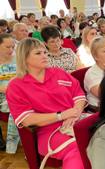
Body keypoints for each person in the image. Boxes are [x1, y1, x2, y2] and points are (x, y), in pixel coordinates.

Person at [6, 38, 86, 169]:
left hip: (76, 120)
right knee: (77, 148)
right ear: (24, 58)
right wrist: (61, 115)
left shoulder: (59, 73)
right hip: (49, 132)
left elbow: (78, 95)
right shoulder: (16, 86)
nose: (45, 55)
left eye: (45, 52)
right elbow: (26, 119)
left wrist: (74, 114)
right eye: (38, 53)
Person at [0, 34, 18, 153]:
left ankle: (16, 141)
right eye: (7, 47)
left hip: (16, 93)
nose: (11, 50)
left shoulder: (18, 58)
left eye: (13, 47)